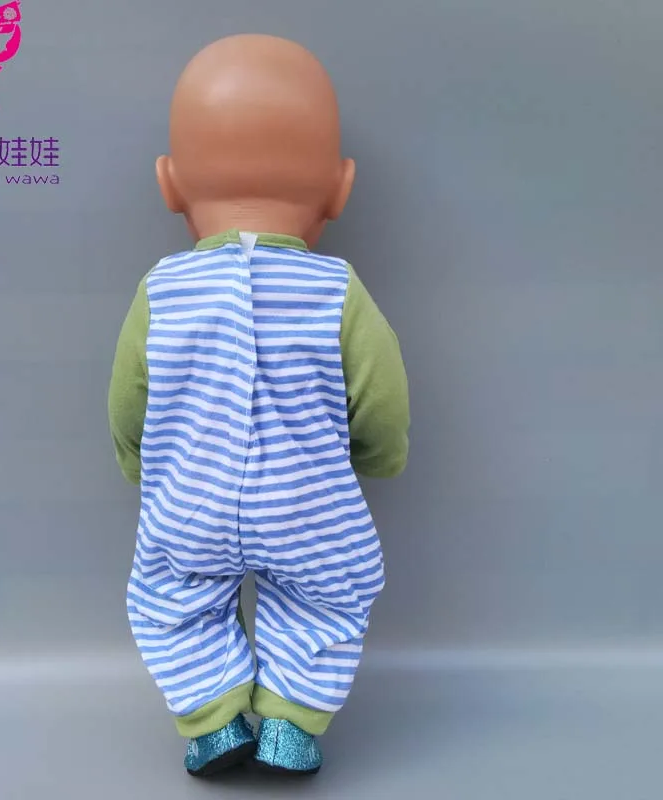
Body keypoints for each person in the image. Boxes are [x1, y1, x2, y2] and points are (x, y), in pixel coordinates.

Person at [108, 33, 410, 777]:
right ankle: (289, 729)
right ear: (340, 188)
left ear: (169, 184)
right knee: (330, 597)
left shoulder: (162, 291)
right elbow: (382, 396)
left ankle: (213, 725)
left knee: (172, 599)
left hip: (191, 499)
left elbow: (128, 396)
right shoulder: (337, 291)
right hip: (309, 502)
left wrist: (141, 464)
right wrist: (377, 458)